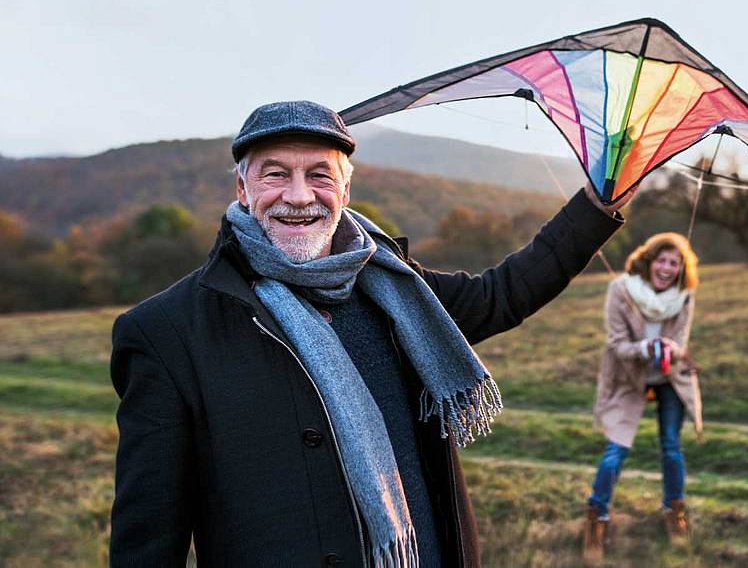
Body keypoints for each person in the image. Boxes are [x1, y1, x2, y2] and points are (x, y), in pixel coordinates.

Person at [109, 100, 630, 567]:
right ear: (243, 190)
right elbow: (149, 537)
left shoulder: (397, 288)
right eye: (275, 175)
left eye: (319, 174)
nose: (298, 196)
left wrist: (597, 202)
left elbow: (504, 294)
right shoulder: (167, 332)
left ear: (346, 188)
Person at [583, 232, 702, 560]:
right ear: (649, 261)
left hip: (669, 380)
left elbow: (680, 340)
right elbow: (617, 344)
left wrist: (670, 349)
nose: (667, 268)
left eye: (674, 263)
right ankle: (597, 516)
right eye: (662, 260)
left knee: (671, 446)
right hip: (629, 376)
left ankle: (673, 510)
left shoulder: (684, 296)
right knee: (617, 449)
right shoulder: (620, 290)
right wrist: (646, 347)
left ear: (681, 269)